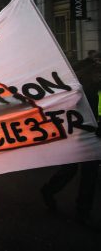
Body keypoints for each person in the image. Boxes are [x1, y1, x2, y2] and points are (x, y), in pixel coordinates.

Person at [40, 54, 101, 224]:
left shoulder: (94, 87)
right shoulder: (80, 86)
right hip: (77, 135)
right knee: (70, 170)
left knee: (89, 174)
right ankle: (49, 190)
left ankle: (83, 212)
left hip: (93, 135)